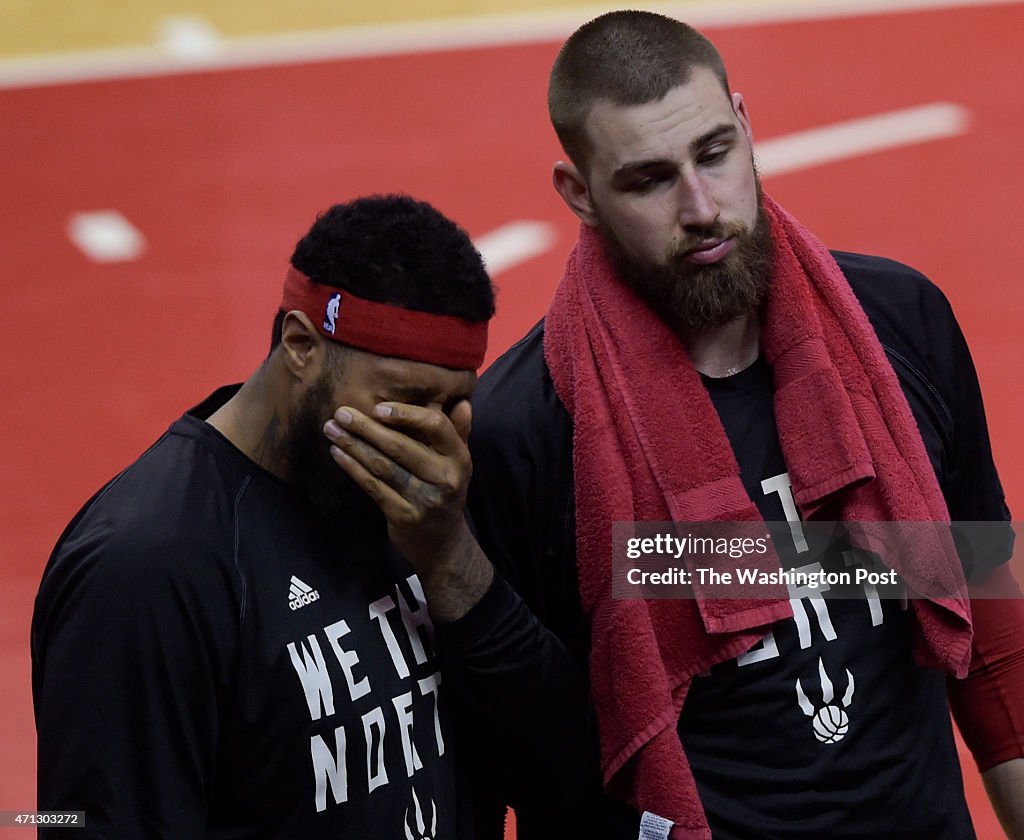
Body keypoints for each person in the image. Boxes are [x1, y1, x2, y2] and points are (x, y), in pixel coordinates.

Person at [420, 11, 1024, 840]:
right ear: (579, 194)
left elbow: (988, 629)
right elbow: (524, 753)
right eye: (648, 180)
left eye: (714, 154)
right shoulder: (519, 433)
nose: (702, 207)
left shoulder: (899, 325)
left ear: (745, 124)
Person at [32, 194, 497, 839]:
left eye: (453, 404)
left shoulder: (426, 508)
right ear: (301, 345)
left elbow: (555, 754)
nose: (430, 438)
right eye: (405, 401)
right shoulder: (144, 569)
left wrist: (452, 560)